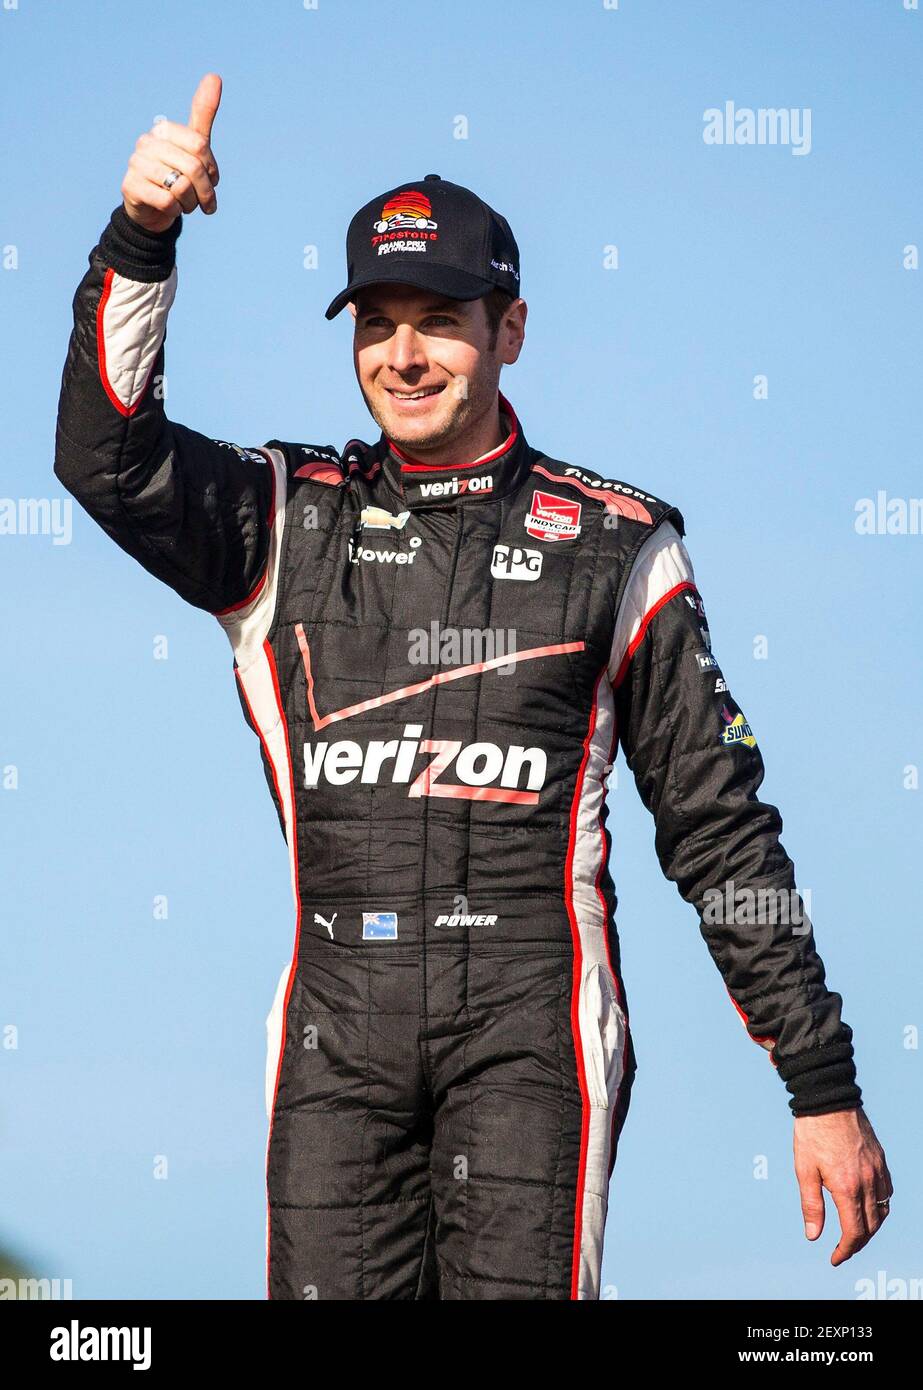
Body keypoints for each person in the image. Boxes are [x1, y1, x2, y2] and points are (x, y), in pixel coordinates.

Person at [54, 73, 892, 1301]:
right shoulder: (287, 517)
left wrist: (818, 1086)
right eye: (375, 321)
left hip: (531, 1032)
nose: (403, 355)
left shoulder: (618, 545)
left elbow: (719, 831)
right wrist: (143, 233)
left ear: (508, 330)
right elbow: (103, 456)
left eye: (439, 318)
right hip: (335, 1034)